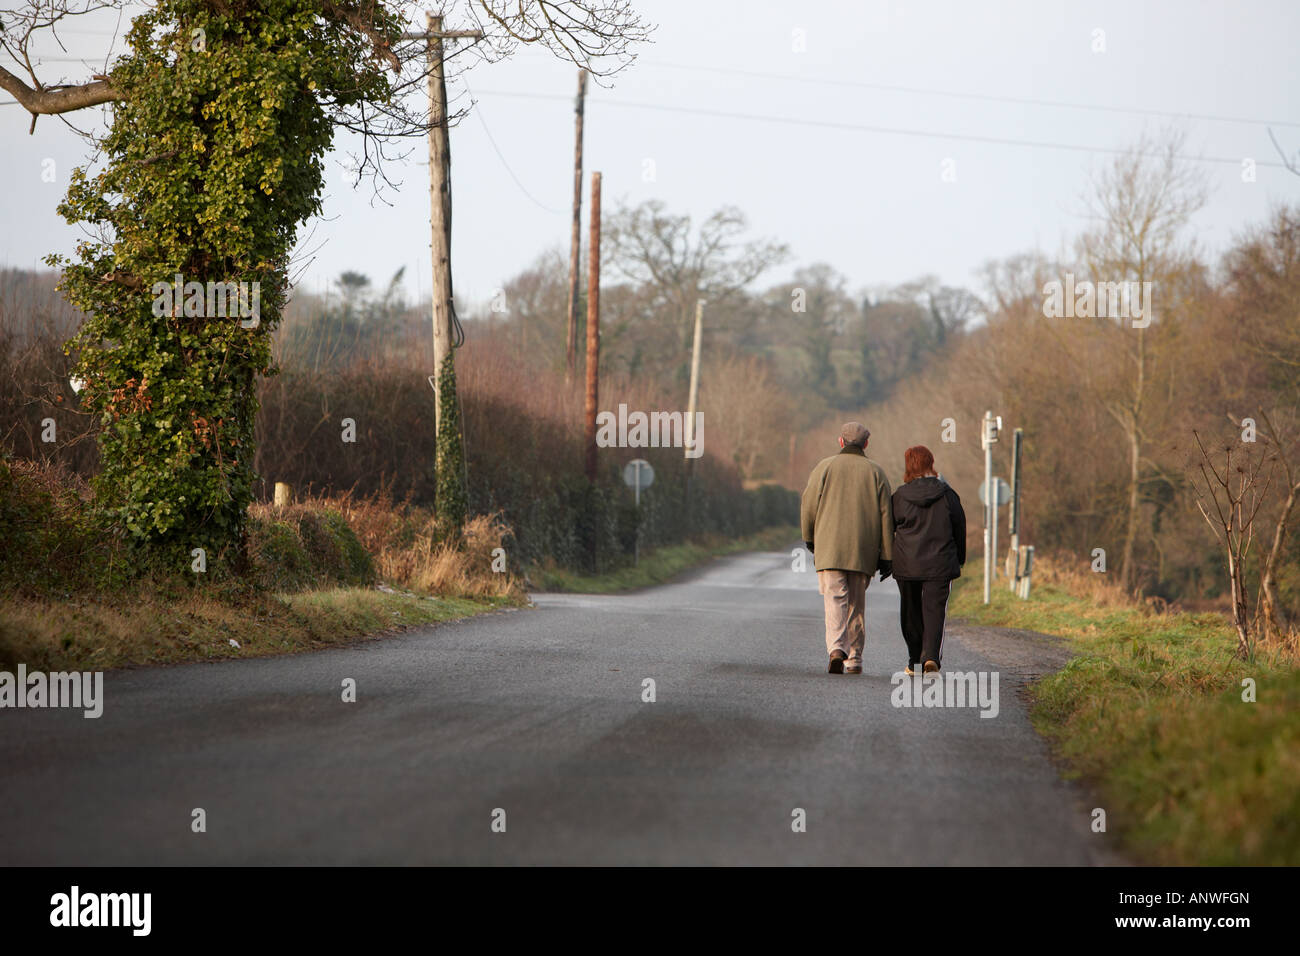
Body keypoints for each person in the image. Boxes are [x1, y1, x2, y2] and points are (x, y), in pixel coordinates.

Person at [800, 422, 894, 675]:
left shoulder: (824, 467)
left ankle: (836, 649)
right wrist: (887, 555)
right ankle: (854, 659)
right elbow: (887, 514)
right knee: (856, 604)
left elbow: (808, 504)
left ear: (841, 442)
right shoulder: (876, 472)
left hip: (829, 548)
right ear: (866, 444)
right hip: (862, 550)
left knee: (834, 600)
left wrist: (809, 537)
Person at [890, 445, 966, 676]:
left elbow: (888, 528)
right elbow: (959, 528)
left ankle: (914, 659)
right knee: (934, 610)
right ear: (931, 464)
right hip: (940, 564)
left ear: (908, 467)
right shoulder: (948, 495)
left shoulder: (899, 497)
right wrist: (959, 558)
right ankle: (931, 657)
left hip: (907, 563)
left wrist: (886, 559)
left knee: (910, 610)